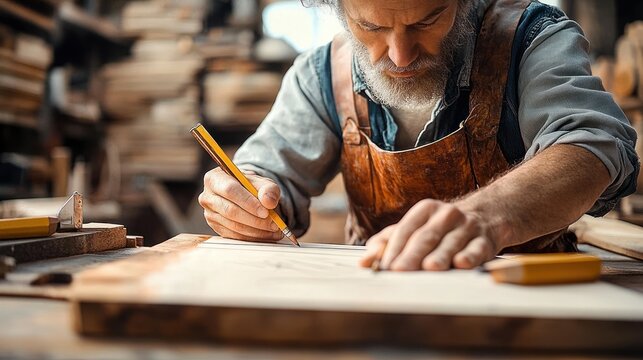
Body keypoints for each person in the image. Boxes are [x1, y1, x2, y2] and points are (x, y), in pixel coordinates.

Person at [198, 0, 639, 271]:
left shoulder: (530, 39)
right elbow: (262, 175)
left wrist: (488, 215)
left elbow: (593, 144)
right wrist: (245, 199)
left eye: (426, 22)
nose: (399, 55)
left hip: (529, 308)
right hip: (378, 307)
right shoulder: (321, 74)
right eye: (370, 28)